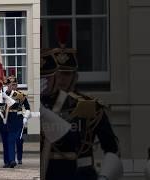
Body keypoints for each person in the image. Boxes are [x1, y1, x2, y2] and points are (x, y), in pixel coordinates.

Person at [42, 22, 123, 180]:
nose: (61, 80)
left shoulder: (90, 106)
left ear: (75, 76)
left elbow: (112, 149)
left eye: (66, 74)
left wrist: (105, 176)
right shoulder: (42, 105)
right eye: (58, 74)